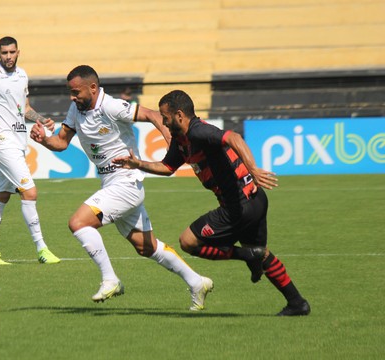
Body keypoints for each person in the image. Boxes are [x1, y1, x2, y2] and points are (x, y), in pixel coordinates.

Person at [112, 89, 311, 316]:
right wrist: (137, 164)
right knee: (261, 253)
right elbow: (167, 168)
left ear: (179, 115)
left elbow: (234, 137)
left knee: (188, 242)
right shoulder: (182, 141)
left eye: (165, 117)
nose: (163, 123)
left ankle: (248, 256)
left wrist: (254, 170)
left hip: (238, 205)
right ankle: (297, 302)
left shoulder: (198, 131)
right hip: (255, 201)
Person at [30, 65, 213, 309]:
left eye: (76, 92)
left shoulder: (111, 106)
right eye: (70, 92)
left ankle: (110, 279)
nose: (72, 97)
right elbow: (61, 142)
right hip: (110, 181)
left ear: (93, 88)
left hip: (126, 181)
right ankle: (197, 282)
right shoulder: (76, 108)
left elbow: (152, 114)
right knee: (146, 246)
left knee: (78, 222)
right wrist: (43, 140)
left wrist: (172, 142)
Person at [0, 36, 60, 265]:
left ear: (18, 52)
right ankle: (42, 249)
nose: (8, 56)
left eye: (12, 52)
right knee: (30, 192)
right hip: (2, 142)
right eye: (4, 53)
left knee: (1, 195)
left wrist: (42, 119)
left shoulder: (22, 75)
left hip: (18, 142)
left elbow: (24, 108)